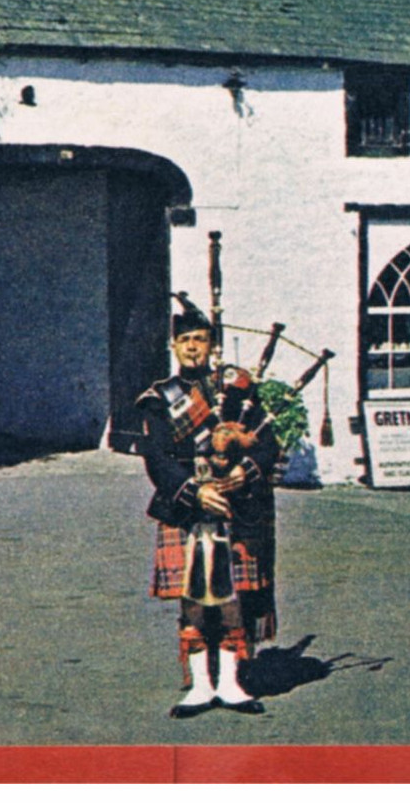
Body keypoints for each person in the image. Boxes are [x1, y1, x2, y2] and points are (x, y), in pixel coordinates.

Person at [135, 298, 279, 718]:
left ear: (212, 346)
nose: (193, 347)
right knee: (193, 600)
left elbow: (269, 444)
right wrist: (194, 492)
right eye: (185, 341)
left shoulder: (238, 394)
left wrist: (244, 473)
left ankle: (232, 684)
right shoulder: (160, 398)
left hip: (236, 507)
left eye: (200, 339)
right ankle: (199, 685)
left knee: (233, 598)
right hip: (186, 508)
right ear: (174, 348)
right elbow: (156, 457)